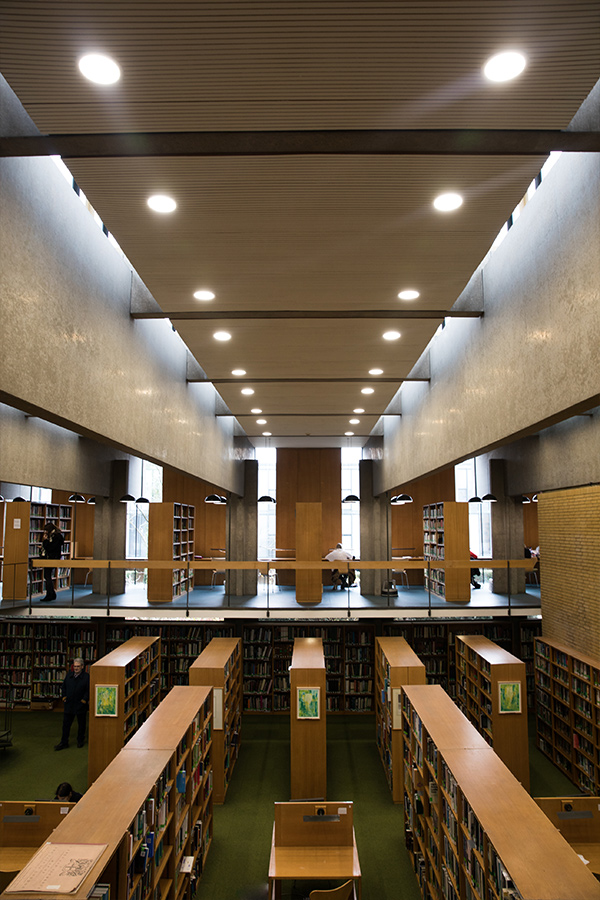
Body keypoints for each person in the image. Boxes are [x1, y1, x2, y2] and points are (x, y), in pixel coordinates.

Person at [55, 658, 89, 750]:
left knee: (81, 724)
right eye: (75, 666)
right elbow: (64, 687)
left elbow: (88, 690)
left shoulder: (87, 677)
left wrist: (84, 700)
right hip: (69, 704)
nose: (76, 668)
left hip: (80, 704)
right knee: (66, 725)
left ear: (82, 667)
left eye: (78, 666)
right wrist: (64, 697)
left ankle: (80, 741)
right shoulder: (69, 675)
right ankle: (64, 742)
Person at [40, 521, 65, 602]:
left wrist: (45, 541)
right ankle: (51, 593)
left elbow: (50, 548)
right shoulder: (58, 536)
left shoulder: (54, 537)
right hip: (54, 557)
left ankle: (50, 594)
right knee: (48, 576)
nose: (46, 532)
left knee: (47, 576)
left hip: (51, 558)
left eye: (46, 531)